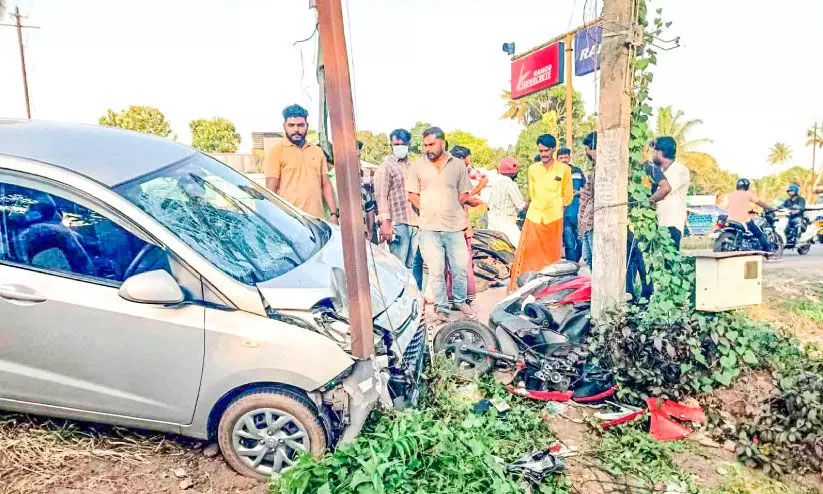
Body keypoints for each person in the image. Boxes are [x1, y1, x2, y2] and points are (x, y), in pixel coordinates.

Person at [407, 127, 476, 322]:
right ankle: (442, 309)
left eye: (431, 144)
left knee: (460, 267)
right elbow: (412, 194)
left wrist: (451, 205)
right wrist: (427, 208)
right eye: (425, 145)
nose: (427, 149)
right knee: (436, 270)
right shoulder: (418, 166)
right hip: (428, 228)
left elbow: (464, 192)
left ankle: (461, 302)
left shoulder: (458, 166)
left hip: (454, 227)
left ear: (442, 143)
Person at [509, 134, 572, 292]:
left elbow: (567, 196)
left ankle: (547, 290)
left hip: (554, 218)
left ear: (553, 150)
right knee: (528, 256)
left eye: (546, 151)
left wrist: (558, 212)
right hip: (535, 216)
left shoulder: (564, 170)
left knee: (551, 257)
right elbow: (532, 194)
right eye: (540, 151)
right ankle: (524, 288)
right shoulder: (533, 169)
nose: (543, 154)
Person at [263, 104, 338, 222]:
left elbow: (326, 184)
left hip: (318, 221)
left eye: (300, 125)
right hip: (290, 221)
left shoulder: (317, 151)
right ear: (284, 126)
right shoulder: (276, 151)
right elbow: (271, 190)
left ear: (307, 126)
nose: (296, 130)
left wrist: (334, 214)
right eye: (291, 125)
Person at [374, 128, 422, 288]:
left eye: (403, 144)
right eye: (396, 144)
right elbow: (381, 196)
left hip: (415, 221)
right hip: (397, 222)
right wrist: (385, 223)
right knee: (398, 265)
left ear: (409, 145)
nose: (399, 147)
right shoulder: (386, 167)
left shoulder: (413, 166)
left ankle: (412, 299)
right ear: (391, 144)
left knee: (412, 266)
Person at [649, 136, 690, 250]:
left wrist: (646, 203)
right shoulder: (659, 171)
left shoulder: (680, 171)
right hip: (658, 225)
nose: (652, 155)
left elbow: (664, 190)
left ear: (660, 152)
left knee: (669, 264)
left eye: (653, 151)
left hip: (671, 226)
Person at [725, 178, 774, 251]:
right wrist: (770, 208)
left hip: (730, 219)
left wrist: (749, 210)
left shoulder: (731, 195)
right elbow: (760, 203)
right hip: (743, 220)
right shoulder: (748, 193)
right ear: (746, 186)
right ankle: (768, 250)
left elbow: (736, 205)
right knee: (759, 233)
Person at [487, 157, 526, 245]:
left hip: (492, 222)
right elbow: (521, 206)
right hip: (506, 223)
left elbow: (488, 205)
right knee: (520, 247)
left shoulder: (495, 182)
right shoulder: (510, 184)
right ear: (514, 171)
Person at [557, 147, 585, 262]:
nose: (564, 159)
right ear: (557, 159)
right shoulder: (556, 173)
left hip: (578, 212)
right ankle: (571, 267)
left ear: (569, 157)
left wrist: (578, 192)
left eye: (566, 157)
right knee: (569, 242)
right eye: (561, 157)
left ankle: (575, 263)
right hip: (564, 213)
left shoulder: (577, 171)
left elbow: (586, 188)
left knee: (581, 241)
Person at [578, 132, 597, 268]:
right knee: (588, 258)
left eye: (591, 148)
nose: (589, 152)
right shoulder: (593, 170)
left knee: (594, 260)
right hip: (587, 222)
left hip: (595, 222)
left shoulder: (604, 171)